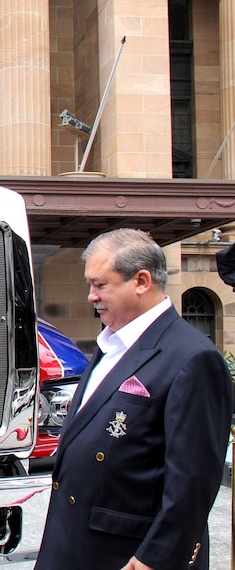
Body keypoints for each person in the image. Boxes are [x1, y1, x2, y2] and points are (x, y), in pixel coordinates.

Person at [35, 228, 234, 570]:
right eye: (88, 285)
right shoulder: (112, 343)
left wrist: (156, 557)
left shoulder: (192, 358)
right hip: (75, 544)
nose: (90, 297)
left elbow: (193, 481)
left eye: (100, 285)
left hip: (127, 555)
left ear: (141, 281)